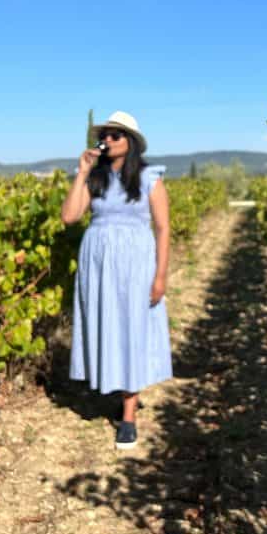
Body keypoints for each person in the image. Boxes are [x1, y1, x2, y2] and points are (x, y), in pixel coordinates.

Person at [60, 111, 173, 449]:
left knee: (131, 328)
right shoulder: (93, 178)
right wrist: (81, 173)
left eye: (116, 135)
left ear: (131, 143)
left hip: (135, 264)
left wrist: (160, 276)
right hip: (97, 264)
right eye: (105, 135)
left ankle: (128, 414)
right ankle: (111, 384)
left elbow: (164, 228)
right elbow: (69, 216)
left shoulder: (150, 177)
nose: (108, 140)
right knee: (105, 325)